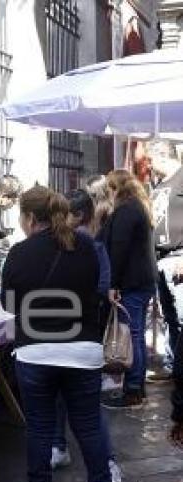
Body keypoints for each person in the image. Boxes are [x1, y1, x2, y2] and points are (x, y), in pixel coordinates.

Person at [1, 184, 114, 482]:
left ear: (30, 217)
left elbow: (8, 304)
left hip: (36, 351)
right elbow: (97, 292)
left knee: (39, 427)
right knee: (89, 426)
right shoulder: (87, 248)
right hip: (83, 350)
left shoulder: (19, 253)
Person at [50, 189, 122, 482]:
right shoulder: (55, 245)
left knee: (81, 400)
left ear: (76, 216)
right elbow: (102, 285)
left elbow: (102, 285)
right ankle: (63, 448)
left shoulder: (90, 246)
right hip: (73, 333)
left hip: (75, 334)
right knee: (69, 397)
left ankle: (106, 463)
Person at [101, 171, 158, 409]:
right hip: (143, 281)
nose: (108, 194)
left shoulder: (126, 210)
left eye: (109, 189)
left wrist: (113, 283)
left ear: (117, 189)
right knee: (136, 334)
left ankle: (133, 390)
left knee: (132, 334)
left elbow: (119, 248)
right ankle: (136, 388)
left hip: (133, 282)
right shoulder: (138, 207)